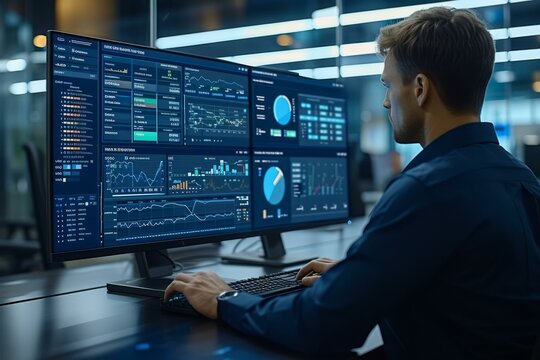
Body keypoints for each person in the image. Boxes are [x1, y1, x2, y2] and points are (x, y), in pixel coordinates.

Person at [165, 7, 540, 359]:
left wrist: (225, 299)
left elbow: (320, 327)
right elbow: (475, 296)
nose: (385, 102)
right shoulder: (522, 179)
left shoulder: (426, 190)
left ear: (421, 88)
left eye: (388, 85)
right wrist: (363, 276)